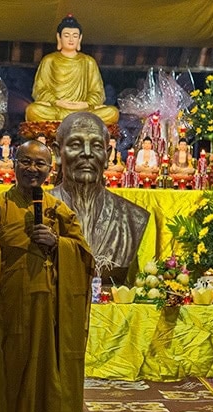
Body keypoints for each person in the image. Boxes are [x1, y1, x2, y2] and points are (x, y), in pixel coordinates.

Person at [0, 140, 94, 412]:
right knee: (9, 367)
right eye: (26, 162)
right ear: (14, 164)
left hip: (49, 306)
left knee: (48, 370)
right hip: (8, 301)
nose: (32, 169)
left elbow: (85, 258)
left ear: (51, 170)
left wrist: (57, 242)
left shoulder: (59, 209)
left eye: (40, 164)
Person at [50, 112, 150, 284]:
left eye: (96, 146)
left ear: (107, 155)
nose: (87, 153)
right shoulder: (39, 209)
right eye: (76, 144)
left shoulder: (133, 218)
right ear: (58, 153)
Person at [25, 15, 119, 125]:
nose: (71, 39)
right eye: (66, 35)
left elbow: (97, 92)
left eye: (75, 36)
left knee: (112, 112)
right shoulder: (49, 60)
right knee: (33, 110)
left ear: (80, 38)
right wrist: (58, 102)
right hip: (57, 108)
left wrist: (86, 104)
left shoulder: (88, 61)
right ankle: (77, 122)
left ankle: (73, 120)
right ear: (59, 37)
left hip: (83, 110)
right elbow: (39, 89)